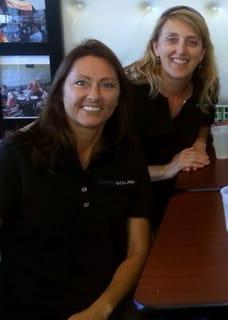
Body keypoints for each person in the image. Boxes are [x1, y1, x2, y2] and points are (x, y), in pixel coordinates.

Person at [0, 39, 152, 319]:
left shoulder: (128, 156)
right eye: (81, 83)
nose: (94, 95)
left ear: (119, 97)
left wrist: (102, 308)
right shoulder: (17, 154)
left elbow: (137, 249)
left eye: (107, 85)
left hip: (107, 308)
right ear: (59, 92)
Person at [125, 5, 219, 228]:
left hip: (181, 199)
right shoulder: (129, 91)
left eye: (192, 42)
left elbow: (205, 120)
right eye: (172, 40)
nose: (181, 50)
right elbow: (111, 172)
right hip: (129, 204)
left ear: (202, 53)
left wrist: (200, 142)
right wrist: (167, 169)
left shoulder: (207, 87)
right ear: (156, 47)